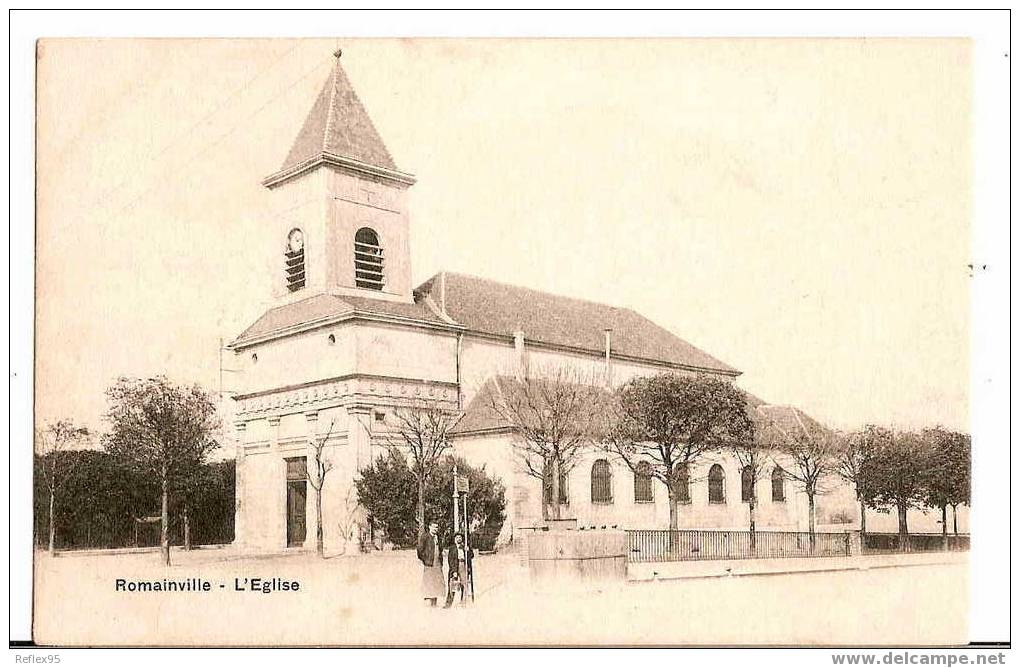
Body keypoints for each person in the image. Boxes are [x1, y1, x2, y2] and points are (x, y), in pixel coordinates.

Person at [416, 521, 444, 607]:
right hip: (429, 563)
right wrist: (425, 559)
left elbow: (441, 549)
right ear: (429, 527)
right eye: (434, 527)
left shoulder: (438, 537)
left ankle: (434, 600)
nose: (435, 529)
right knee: (429, 581)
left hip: (437, 562)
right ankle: (430, 601)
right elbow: (419, 549)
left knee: (437, 582)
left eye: (437, 527)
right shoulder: (425, 536)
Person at [444, 532, 474, 608]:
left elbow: (471, 556)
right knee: (452, 585)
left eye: (460, 537)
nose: (459, 539)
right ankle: (448, 604)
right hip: (455, 566)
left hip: (463, 565)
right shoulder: (452, 548)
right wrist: (454, 571)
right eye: (457, 537)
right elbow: (450, 560)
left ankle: (463, 602)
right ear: (454, 539)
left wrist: (468, 550)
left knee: (464, 584)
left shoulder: (465, 547)